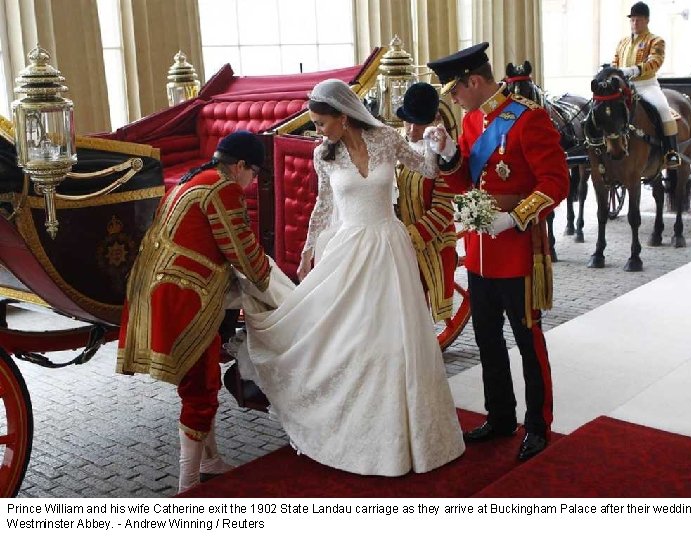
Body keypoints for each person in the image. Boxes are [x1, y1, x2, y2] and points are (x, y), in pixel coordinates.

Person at [236, 78, 465, 477]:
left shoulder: (388, 139)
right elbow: (324, 206)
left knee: (398, 341)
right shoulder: (324, 155)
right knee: (353, 339)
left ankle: (410, 436)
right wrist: (309, 248)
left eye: (322, 123)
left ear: (343, 117)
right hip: (349, 249)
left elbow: (427, 169)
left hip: (390, 246)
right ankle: (357, 426)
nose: (318, 130)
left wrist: (437, 142)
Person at [426, 43, 568, 461]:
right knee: (487, 338)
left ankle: (538, 425)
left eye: (455, 89)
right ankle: (501, 416)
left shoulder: (529, 118)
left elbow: (556, 182)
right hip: (481, 253)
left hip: (519, 253)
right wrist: (449, 155)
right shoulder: (471, 122)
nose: (453, 99)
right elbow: (465, 187)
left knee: (528, 342)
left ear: (473, 80)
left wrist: (518, 217)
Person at [116, 130, 271, 493]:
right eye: (254, 173)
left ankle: (210, 461)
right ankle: (188, 486)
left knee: (199, 382)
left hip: (161, 288)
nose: (253, 182)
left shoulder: (195, 179)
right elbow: (244, 253)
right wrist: (273, 285)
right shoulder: (223, 189)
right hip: (186, 295)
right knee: (200, 386)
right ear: (241, 166)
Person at [394, 82, 458, 322]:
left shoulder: (443, 153)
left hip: (431, 240)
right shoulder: (400, 145)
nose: (410, 129)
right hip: (398, 236)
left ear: (432, 122)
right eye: (406, 121)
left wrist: (409, 237)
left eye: (417, 123)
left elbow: (443, 209)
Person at [612, 1, 680, 168]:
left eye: (639, 20)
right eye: (633, 20)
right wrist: (614, 71)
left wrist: (634, 70)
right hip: (625, 86)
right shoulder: (623, 42)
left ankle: (671, 151)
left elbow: (655, 61)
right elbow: (615, 61)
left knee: (663, 109)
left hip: (646, 85)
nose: (635, 23)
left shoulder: (656, 41)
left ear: (647, 21)